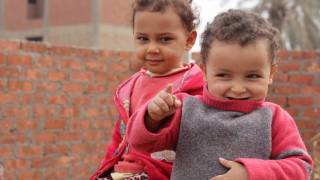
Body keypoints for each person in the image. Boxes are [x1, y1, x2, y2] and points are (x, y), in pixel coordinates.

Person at [127, 9, 314, 180]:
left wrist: (251, 173)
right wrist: (152, 117)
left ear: (271, 74)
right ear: (205, 71)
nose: (238, 88)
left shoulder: (274, 118)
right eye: (224, 75)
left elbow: (301, 168)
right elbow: (140, 144)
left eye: (252, 76)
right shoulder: (185, 109)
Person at [90, 0, 204, 179]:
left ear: (189, 40)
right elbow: (118, 142)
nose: (152, 49)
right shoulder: (130, 89)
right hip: (122, 172)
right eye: (143, 39)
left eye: (165, 39)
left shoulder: (197, 89)